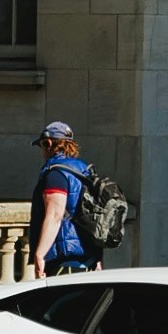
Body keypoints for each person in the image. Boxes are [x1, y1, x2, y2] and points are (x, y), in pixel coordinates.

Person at [28, 119, 107, 280]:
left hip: (64, 260)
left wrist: (40, 254)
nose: (42, 152)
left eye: (42, 145)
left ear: (48, 143)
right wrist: (97, 257)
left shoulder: (56, 174)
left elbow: (55, 216)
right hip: (88, 258)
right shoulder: (85, 170)